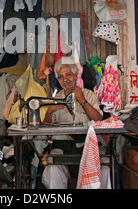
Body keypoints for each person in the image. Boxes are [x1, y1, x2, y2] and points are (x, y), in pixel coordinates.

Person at [40, 58, 103, 189]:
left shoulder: (89, 95)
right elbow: (46, 128)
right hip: (63, 146)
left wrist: (82, 100)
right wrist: (50, 112)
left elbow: (98, 120)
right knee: (52, 170)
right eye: (61, 77)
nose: (65, 79)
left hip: (87, 144)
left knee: (106, 169)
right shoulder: (56, 99)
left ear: (75, 76)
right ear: (58, 80)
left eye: (68, 74)